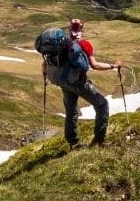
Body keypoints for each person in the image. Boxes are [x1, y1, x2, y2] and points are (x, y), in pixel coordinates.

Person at [43, 18, 122, 148]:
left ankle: (73, 143)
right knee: (102, 104)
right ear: (82, 29)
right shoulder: (84, 44)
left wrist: (45, 76)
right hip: (79, 82)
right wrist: (114, 65)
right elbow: (95, 65)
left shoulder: (59, 43)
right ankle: (98, 141)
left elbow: (45, 62)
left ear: (69, 29)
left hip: (63, 82)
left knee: (71, 111)